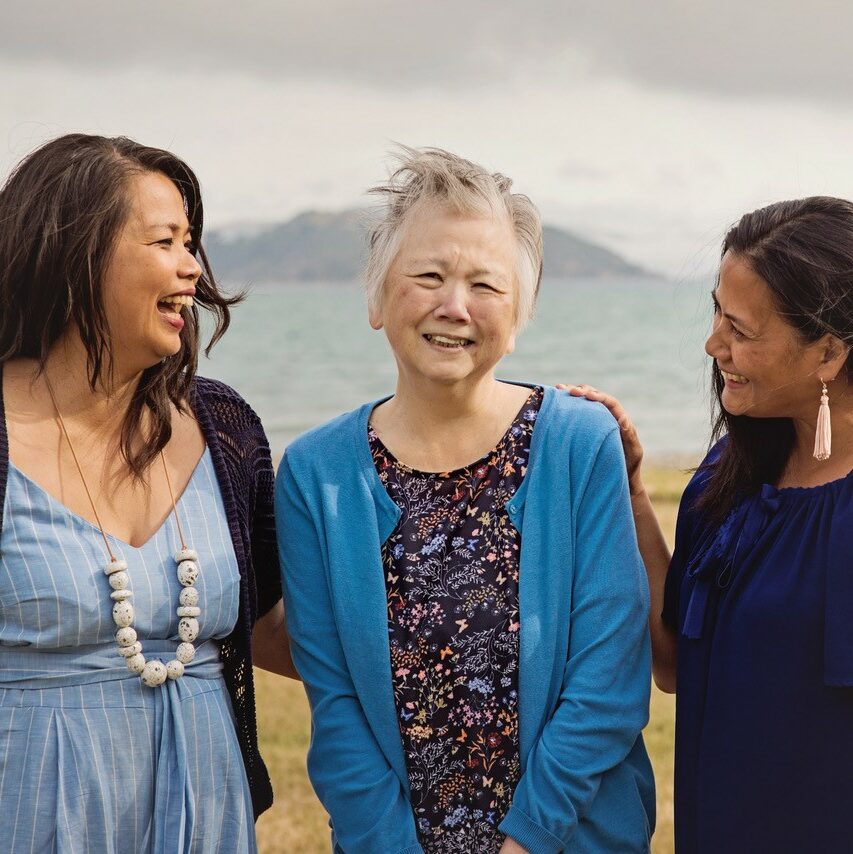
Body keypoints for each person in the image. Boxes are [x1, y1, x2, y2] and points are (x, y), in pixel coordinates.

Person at [276, 148, 654, 854]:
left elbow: (608, 679)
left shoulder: (578, 443)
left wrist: (527, 841)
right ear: (376, 296)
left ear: (519, 317)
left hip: (568, 838)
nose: (454, 306)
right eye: (427, 276)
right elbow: (335, 708)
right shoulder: (314, 474)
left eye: (486, 284)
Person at [0, 133, 295, 853]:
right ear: (75, 254)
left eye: (191, 243)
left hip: (206, 807)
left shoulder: (225, 429)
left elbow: (275, 627)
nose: (193, 269)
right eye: (166, 241)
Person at [570, 196, 853, 853]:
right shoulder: (730, 471)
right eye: (714, 313)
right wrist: (631, 494)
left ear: (828, 352)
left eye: (739, 329)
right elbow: (672, 664)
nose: (711, 344)